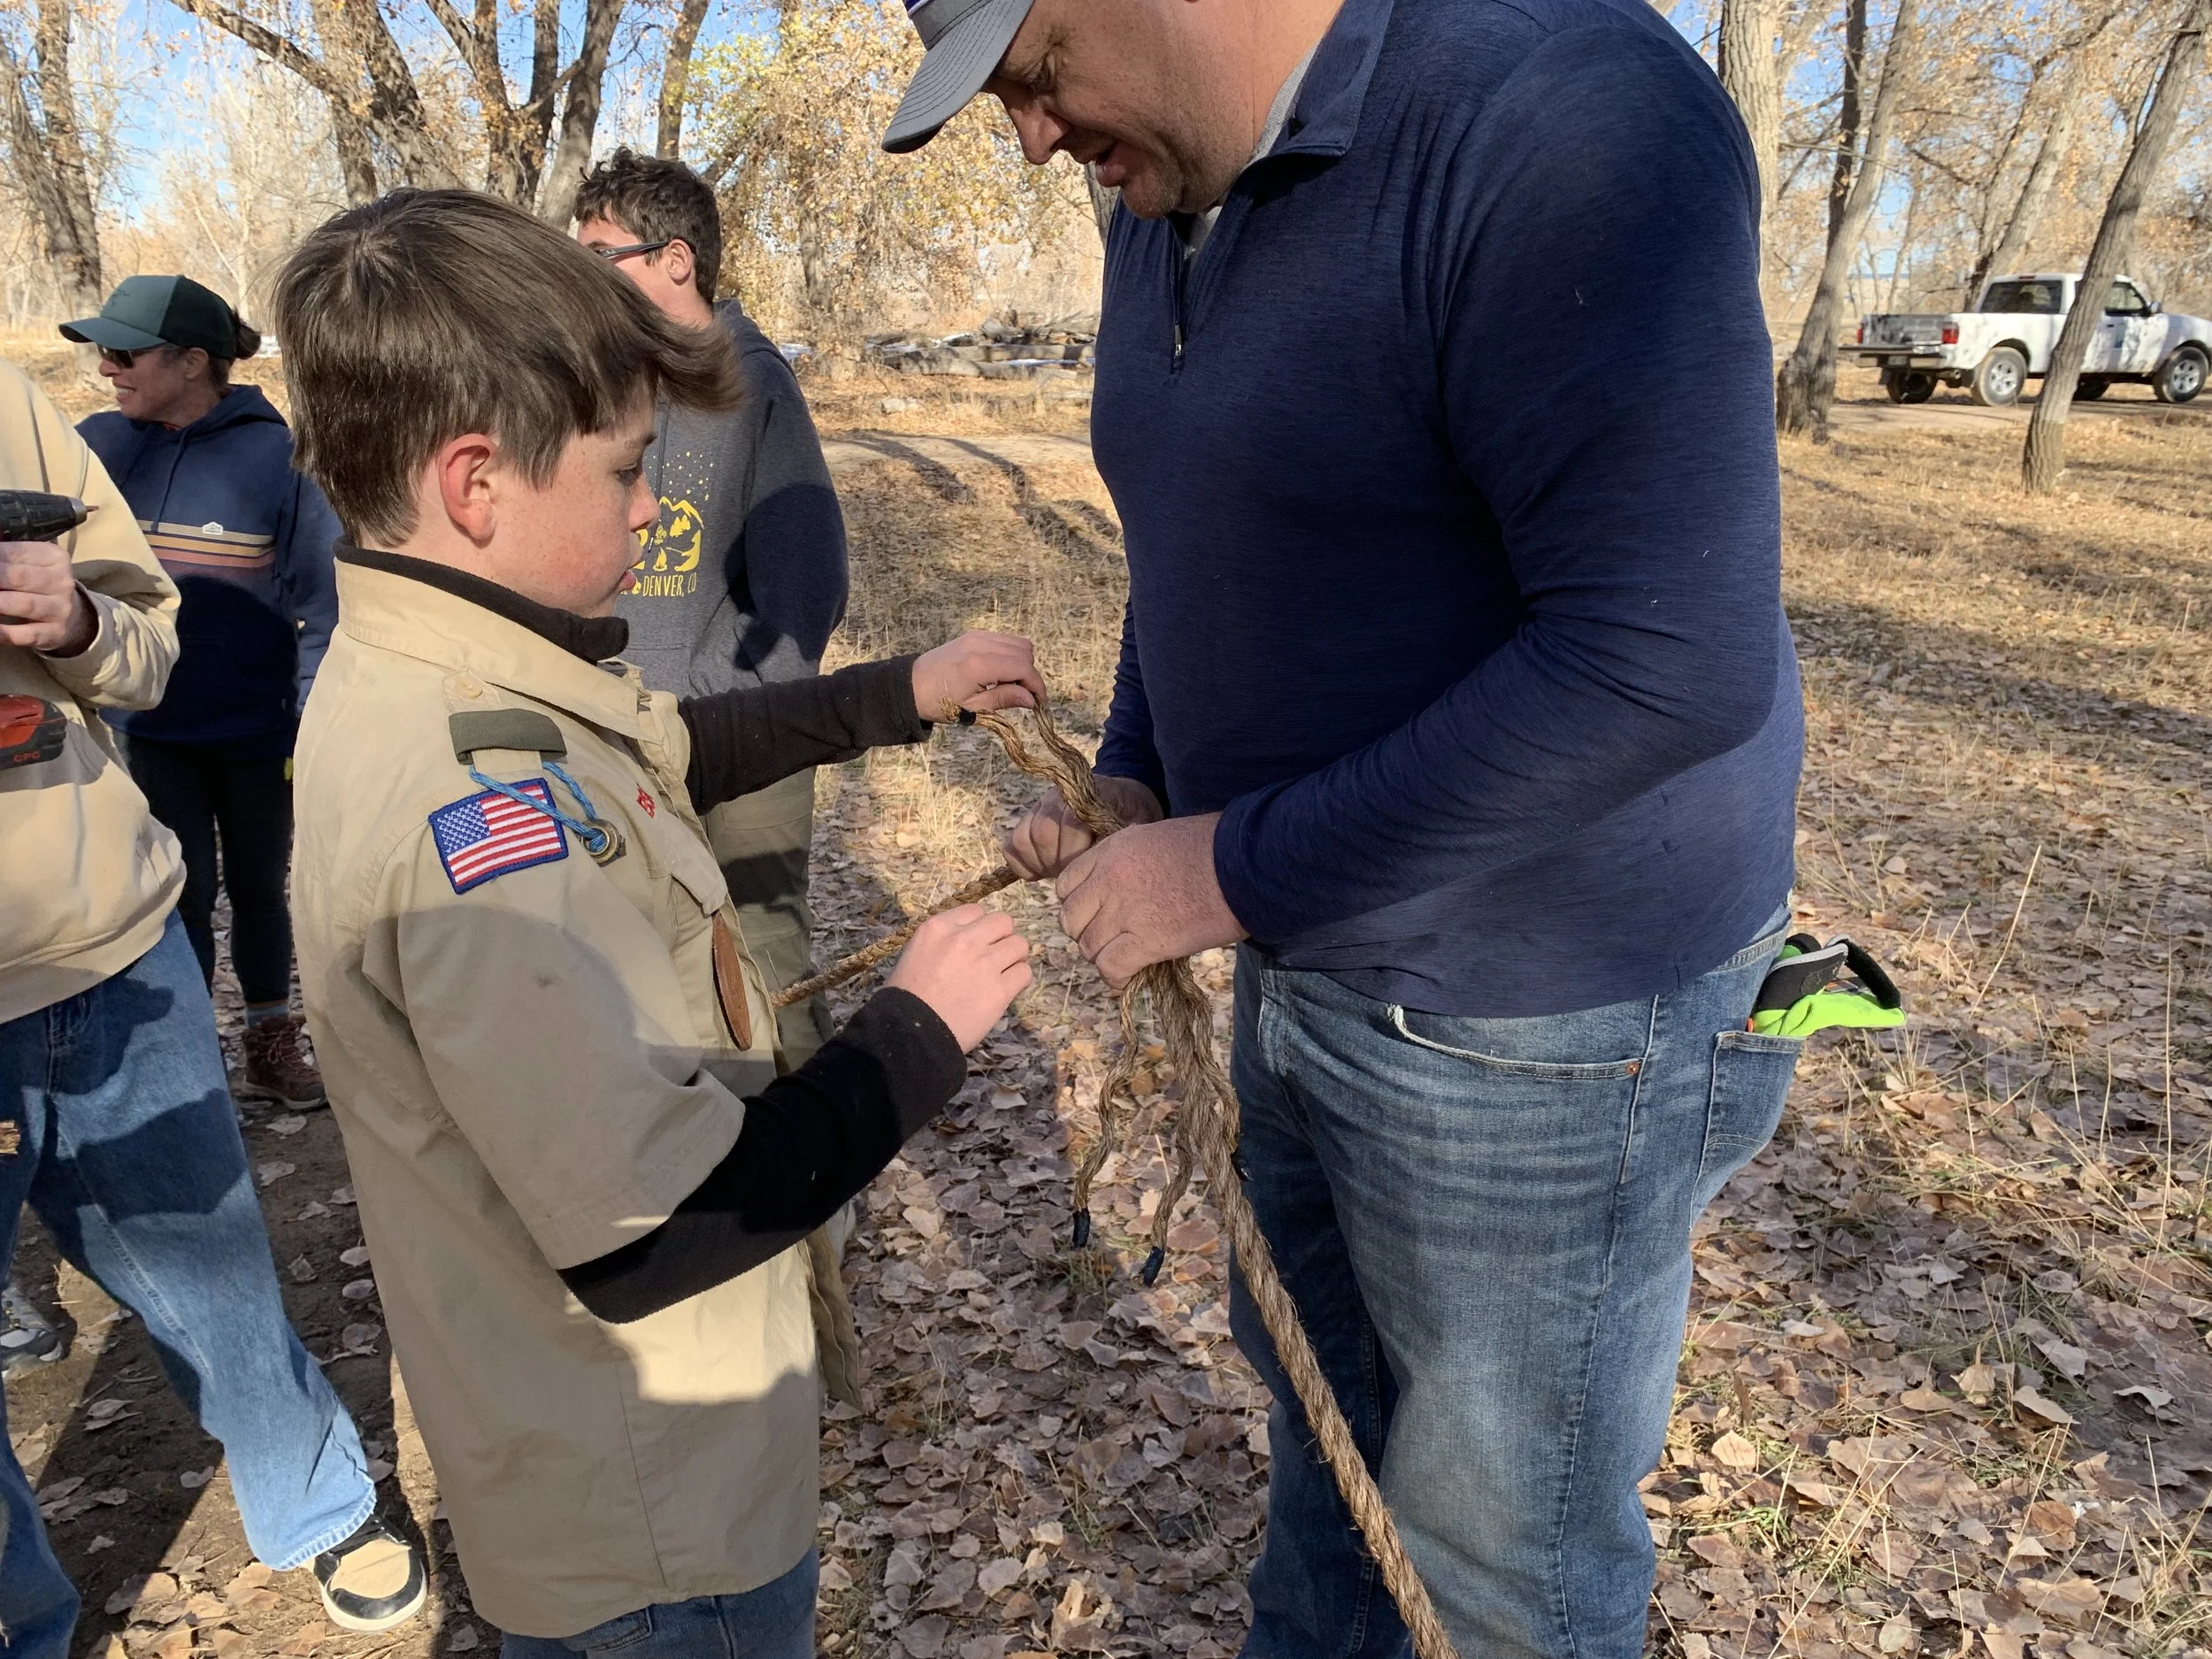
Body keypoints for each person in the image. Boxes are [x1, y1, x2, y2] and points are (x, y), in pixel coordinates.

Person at [888, 3, 1806, 1657]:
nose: (1028, 135)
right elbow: (1206, 527)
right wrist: (1142, 775)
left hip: (1541, 1023)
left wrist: (1225, 868)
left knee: (1498, 1576)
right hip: (1303, 968)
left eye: (1031, 74)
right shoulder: (1161, 185)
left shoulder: (1562, 115)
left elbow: (1666, 661)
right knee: (1336, 1486)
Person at [272, 188, 1040, 1657]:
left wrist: (897, 692)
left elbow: (666, 751)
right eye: (626, 475)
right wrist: (917, 1036)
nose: (651, 512)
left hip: (645, 1465)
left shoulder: (478, 667)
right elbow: (657, 1235)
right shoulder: (472, 820)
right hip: (653, 1535)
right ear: (477, 484)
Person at [0, 356, 426, 1656]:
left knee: (217, 1265)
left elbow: (152, 633)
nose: (120, 373)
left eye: (142, 352)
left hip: (110, 943)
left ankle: (316, 1497)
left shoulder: (13, 407)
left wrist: (73, 620)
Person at [574, 149, 849, 1070]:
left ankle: (817, 1186)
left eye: (600, 256)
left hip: (744, 731)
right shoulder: (614, 380)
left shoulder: (751, 380)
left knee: (765, 970)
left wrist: (702, 701)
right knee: (647, 968)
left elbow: (806, 589)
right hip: (624, 732)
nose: (583, 278)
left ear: (675, 259)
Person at [64, 275, 342, 1109]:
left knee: (259, 890)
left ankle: (269, 1039)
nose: (107, 368)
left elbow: (322, 610)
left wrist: (310, 727)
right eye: (102, 352)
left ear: (192, 362)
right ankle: (191, 1066)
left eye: (124, 352)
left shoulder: (280, 460)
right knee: (174, 896)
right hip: (142, 730)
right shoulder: (94, 449)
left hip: (259, 733)